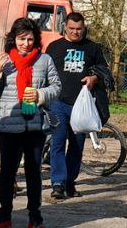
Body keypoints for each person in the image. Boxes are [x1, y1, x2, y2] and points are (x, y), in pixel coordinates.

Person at [0, 16, 61, 228]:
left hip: (35, 126)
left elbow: (56, 88)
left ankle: (35, 216)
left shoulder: (44, 60)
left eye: (30, 39)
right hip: (8, 127)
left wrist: (40, 94)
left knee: (33, 172)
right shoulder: (4, 60)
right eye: (21, 39)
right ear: (14, 39)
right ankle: (4, 213)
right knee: (7, 171)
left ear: (36, 40)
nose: (25, 43)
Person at [45, 11, 114, 200]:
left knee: (76, 146)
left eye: (79, 29)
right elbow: (44, 73)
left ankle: (69, 183)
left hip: (81, 106)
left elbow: (104, 71)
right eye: (72, 29)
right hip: (58, 103)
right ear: (65, 28)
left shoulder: (92, 48)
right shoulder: (54, 47)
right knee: (58, 143)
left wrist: (94, 78)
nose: (76, 32)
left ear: (84, 28)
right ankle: (57, 183)